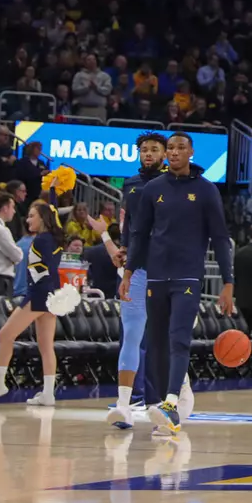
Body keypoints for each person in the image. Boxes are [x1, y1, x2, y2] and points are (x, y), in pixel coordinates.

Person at [121, 133, 235, 436]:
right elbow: (139, 234)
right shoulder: (152, 189)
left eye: (180, 147)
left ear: (192, 153)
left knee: (179, 337)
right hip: (155, 275)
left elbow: (221, 238)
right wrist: (129, 272)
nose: (174, 152)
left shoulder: (206, 190)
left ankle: (172, 402)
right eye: (170, 148)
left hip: (187, 275)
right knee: (155, 342)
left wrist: (228, 282)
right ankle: (159, 405)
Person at [0, 201, 65, 408]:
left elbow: (41, 273)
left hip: (38, 294)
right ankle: (48, 393)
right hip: (51, 295)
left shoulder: (41, 241)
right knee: (45, 345)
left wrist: (38, 295)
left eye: (32, 216)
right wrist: (52, 193)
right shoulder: (54, 238)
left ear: (43, 219)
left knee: (5, 335)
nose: (28, 220)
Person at [108, 132, 167, 428]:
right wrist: (123, 248)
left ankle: (169, 401)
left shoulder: (175, 183)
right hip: (137, 268)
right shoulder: (130, 184)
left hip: (167, 270)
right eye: (144, 149)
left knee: (164, 339)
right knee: (131, 335)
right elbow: (127, 222)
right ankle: (124, 405)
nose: (148, 153)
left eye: (154, 149)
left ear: (164, 154)